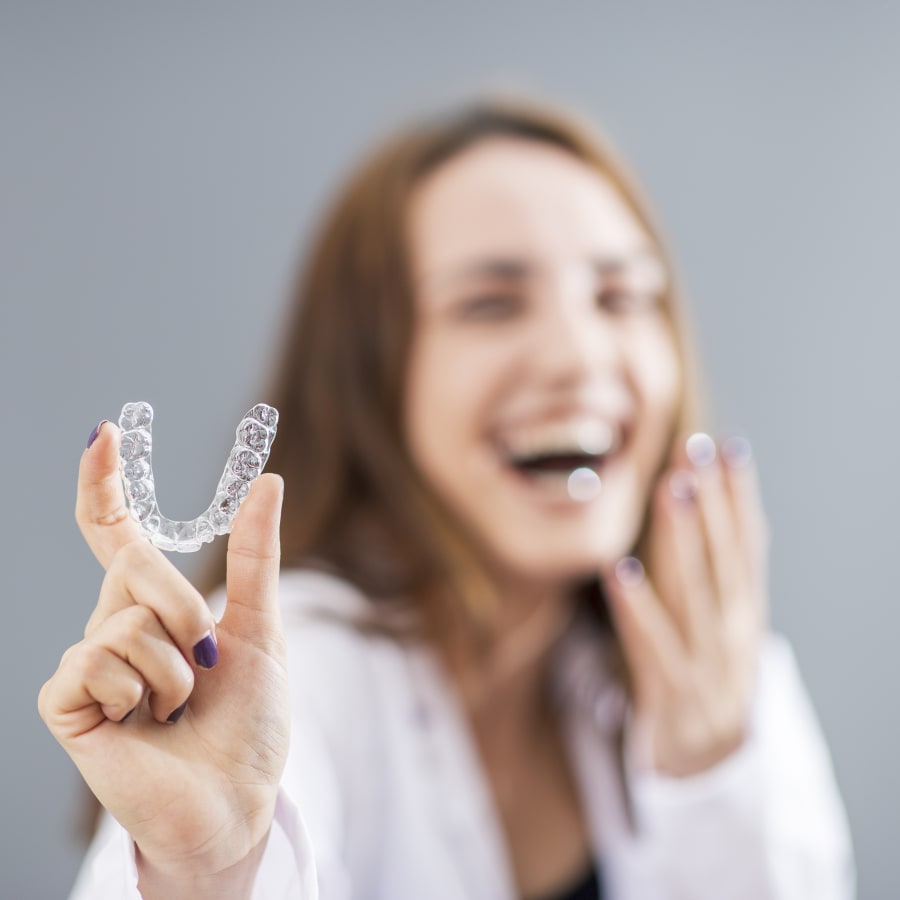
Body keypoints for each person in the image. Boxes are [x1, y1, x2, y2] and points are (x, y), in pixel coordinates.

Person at [40, 96, 855, 900]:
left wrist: (711, 775)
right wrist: (207, 876)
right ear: (372, 380)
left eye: (621, 297)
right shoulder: (286, 671)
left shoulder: (708, 672)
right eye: (490, 304)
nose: (579, 354)